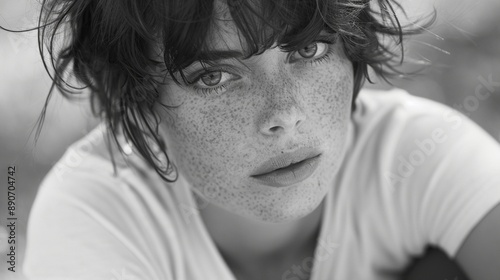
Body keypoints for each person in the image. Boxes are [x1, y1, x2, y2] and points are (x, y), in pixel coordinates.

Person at [14, 0, 500, 279]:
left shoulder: (416, 154)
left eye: (308, 50)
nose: (284, 116)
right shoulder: (96, 213)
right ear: (141, 110)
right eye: (212, 77)